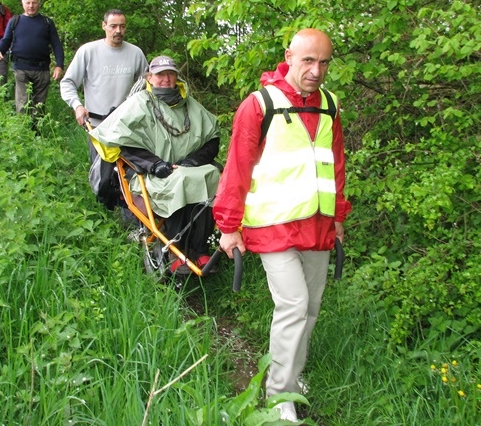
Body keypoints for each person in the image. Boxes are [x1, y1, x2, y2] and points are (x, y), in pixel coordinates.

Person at [213, 28, 352, 422]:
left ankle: (290, 375)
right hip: (273, 227)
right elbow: (237, 168)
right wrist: (228, 225)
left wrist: (339, 216)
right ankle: (279, 396)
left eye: (324, 62)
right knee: (293, 305)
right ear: (289, 56)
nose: (316, 70)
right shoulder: (259, 105)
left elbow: (336, 165)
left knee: (311, 308)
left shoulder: (329, 106)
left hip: (318, 226)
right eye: (308, 60)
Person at [89, 56, 220, 272]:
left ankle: (199, 250)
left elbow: (212, 138)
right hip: (151, 174)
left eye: (170, 74)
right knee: (179, 183)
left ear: (176, 77)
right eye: (160, 75)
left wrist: (192, 161)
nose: (166, 79)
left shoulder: (191, 106)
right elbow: (120, 142)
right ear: (150, 77)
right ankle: (174, 251)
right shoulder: (138, 103)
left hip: (188, 168)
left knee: (211, 176)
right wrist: (154, 164)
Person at [60, 9, 148, 210]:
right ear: (104, 26)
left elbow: (146, 85)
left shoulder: (135, 53)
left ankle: (131, 214)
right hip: (98, 125)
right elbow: (68, 82)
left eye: (122, 26)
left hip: (128, 124)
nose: (118, 31)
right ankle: (104, 212)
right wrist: (77, 106)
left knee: (131, 172)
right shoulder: (88, 51)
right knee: (103, 174)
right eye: (113, 26)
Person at [0, 0, 65, 126]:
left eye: (34, 3)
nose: (31, 6)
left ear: (39, 4)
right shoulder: (15, 21)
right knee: (23, 104)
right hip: (21, 68)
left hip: (42, 69)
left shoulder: (47, 23)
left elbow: (56, 45)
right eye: (28, 3)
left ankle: (37, 133)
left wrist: (59, 65)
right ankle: (24, 131)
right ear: (23, 4)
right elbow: (6, 39)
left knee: (39, 106)